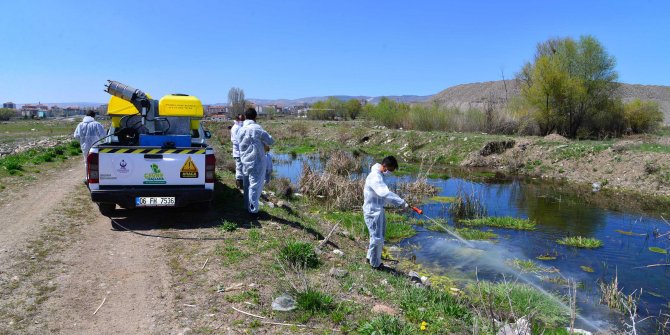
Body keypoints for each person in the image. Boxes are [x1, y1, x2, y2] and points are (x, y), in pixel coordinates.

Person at [363, 156, 408, 270]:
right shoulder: (375, 177)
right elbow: (385, 194)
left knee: (379, 236)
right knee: (376, 238)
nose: (391, 172)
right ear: (385, 166)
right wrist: (402, 203)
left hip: (378, 209)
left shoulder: (380, 175)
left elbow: (382, 195)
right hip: (372, 211)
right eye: (391, 170)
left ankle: (370, 257)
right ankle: (375, 264)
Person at [237, 107, 274, 216]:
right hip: (256, 162)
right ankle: (253, 211)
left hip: (244, 161)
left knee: (247, 184)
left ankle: (246, 207)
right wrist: (263, 144)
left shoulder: (241, 130)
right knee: (254, 186)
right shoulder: (257, 128)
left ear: (245, 116)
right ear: (255, 116)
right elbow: (271, 141)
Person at [230, 114, 245, 189]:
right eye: (242, 119)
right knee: (239, 168)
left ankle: (242, 183)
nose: (243, 121)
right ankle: (239, 184)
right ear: (238, 120)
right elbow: (236, 141)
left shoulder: (239, 127)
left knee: (242, 168)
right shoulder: (236, 128)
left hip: (241, 152)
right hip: (238, 152)